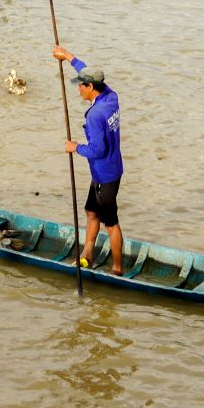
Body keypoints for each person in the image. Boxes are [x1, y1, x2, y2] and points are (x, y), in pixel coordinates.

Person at [52, 46, 124, 275]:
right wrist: (68, 56)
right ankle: (87, 255)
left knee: (111, 223)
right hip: (110, 170)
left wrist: (75, 148)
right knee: (91, 212)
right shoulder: (111, 97)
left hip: (105, 174)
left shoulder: (94, 115)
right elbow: (87, 70)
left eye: (81, 86)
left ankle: (117, 269)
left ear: (90, 87)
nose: (78, 90)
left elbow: (98, 150)